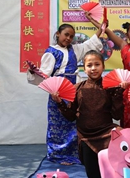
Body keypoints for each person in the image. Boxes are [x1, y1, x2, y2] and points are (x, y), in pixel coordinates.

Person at [27, 23, 104, 165]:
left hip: (74, 89)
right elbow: (44, 74)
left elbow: (89, 43)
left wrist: (101, 29)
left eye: (71, 36)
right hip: (58, 91)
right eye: (66, 35)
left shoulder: (75, 49)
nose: (68, 38)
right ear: (58, 34)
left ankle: (75, 153)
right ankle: (58, 154)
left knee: (74, 121)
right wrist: (34, 72)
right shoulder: (51, 52)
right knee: (57, 123)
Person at [52, 50, 127, 178]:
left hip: (106, 133)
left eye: (97, 64)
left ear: (103, 66)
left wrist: (119, 93)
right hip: (86, 137)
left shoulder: (110, 87)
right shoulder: (77, 89)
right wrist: (60, 103)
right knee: (94, 177)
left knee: (111, 175)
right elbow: (70, 116)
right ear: (84, 69)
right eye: (89, 65)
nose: (93, 68)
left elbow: (117, 115)